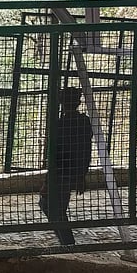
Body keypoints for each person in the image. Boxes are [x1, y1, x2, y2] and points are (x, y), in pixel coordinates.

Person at [38, 87, 94, 246]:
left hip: (61, 172)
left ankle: (68, 243)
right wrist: (81, 175)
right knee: (54, 207)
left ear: (61, 102)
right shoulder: (84, 122)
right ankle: (66, 242)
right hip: (74, 170)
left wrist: (48, 181)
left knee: (51, 207)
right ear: (78, 102)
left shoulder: (60, 124)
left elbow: (55, 154)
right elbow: (86, 150)